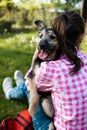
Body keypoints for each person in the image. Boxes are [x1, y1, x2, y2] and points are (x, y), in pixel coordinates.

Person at [34, 10, 87, 129]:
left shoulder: (51, 69)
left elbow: (37, 86)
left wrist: (36, 55)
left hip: (60, 127)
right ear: (81, 37)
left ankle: (11, 92)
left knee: (29, 87)